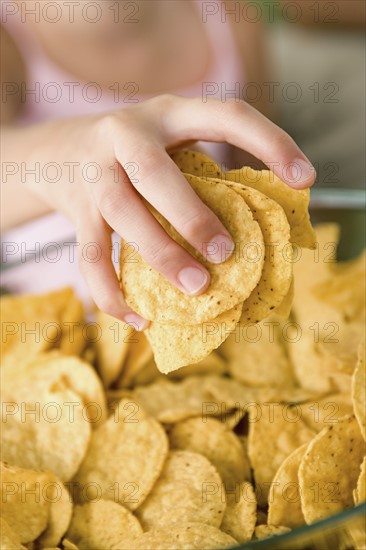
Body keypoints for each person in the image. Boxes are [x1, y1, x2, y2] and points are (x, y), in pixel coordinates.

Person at [1, 0, 321, 329]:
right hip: (61, 335)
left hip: (217, 325)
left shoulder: (230, 18)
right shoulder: (9, 39)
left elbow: (259, 194)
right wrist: (65, 152)